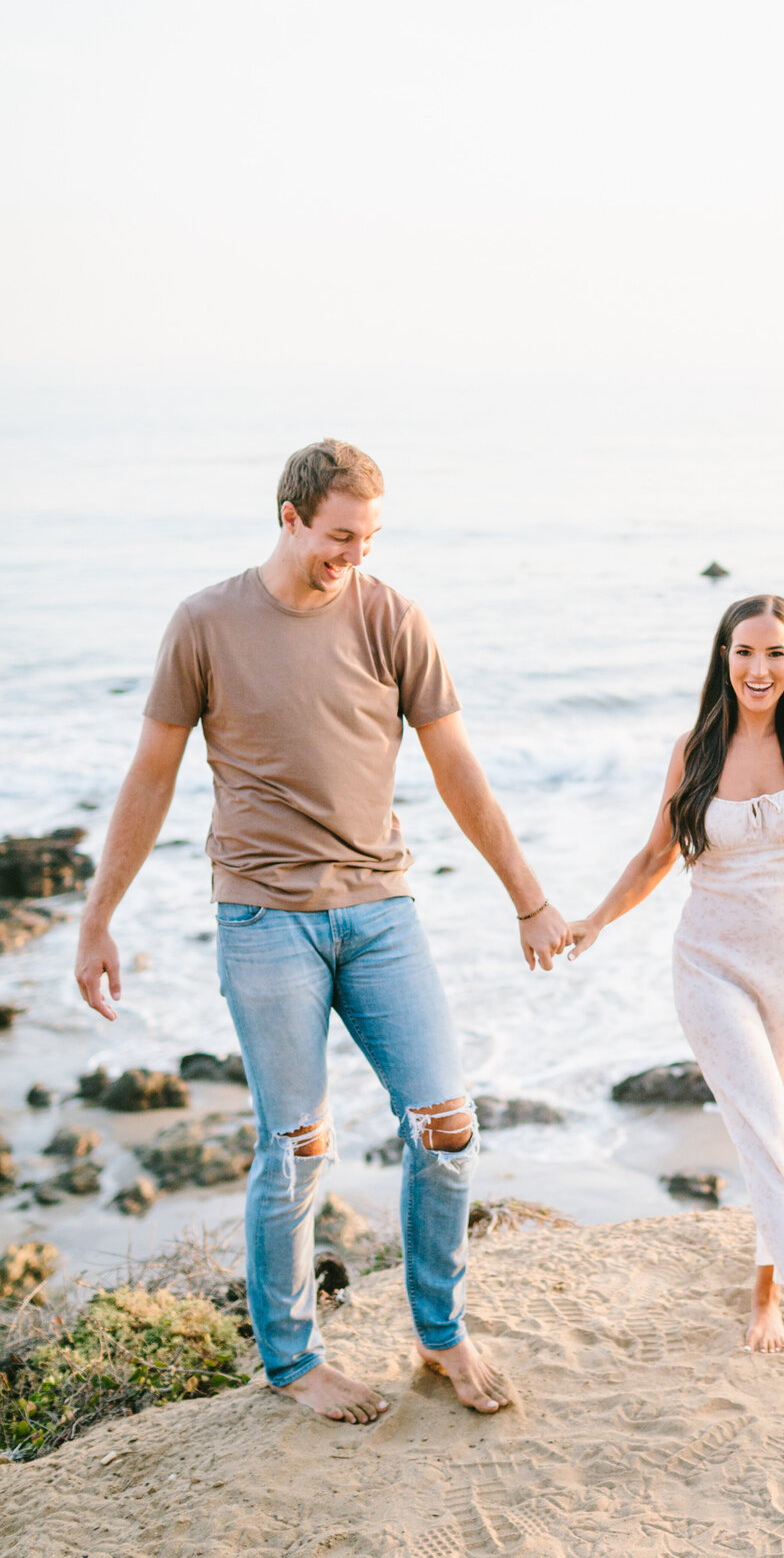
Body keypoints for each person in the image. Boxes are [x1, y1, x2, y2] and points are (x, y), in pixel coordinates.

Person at [75, 438, 569, 1422]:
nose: (355, 557)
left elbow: (457, 769)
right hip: (262, 918)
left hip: (381, 911)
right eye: (341, 537)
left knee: (447, 1125)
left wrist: (528, 895)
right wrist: (98, 917)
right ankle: (293, 1361)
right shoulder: (205, 624)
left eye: (370, 539)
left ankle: (441, 1335)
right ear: (291, 516)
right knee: (296, 1146)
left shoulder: (392, 618)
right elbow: (151, 775)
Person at [568, 476, 784, 1384]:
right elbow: (654, 858)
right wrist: (595, 918)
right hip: (710, 963)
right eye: (742, 652)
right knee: (761, 1126)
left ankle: (765, 1288)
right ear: (723, 657)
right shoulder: (695, 752)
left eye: (774, 653)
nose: (757, 668)